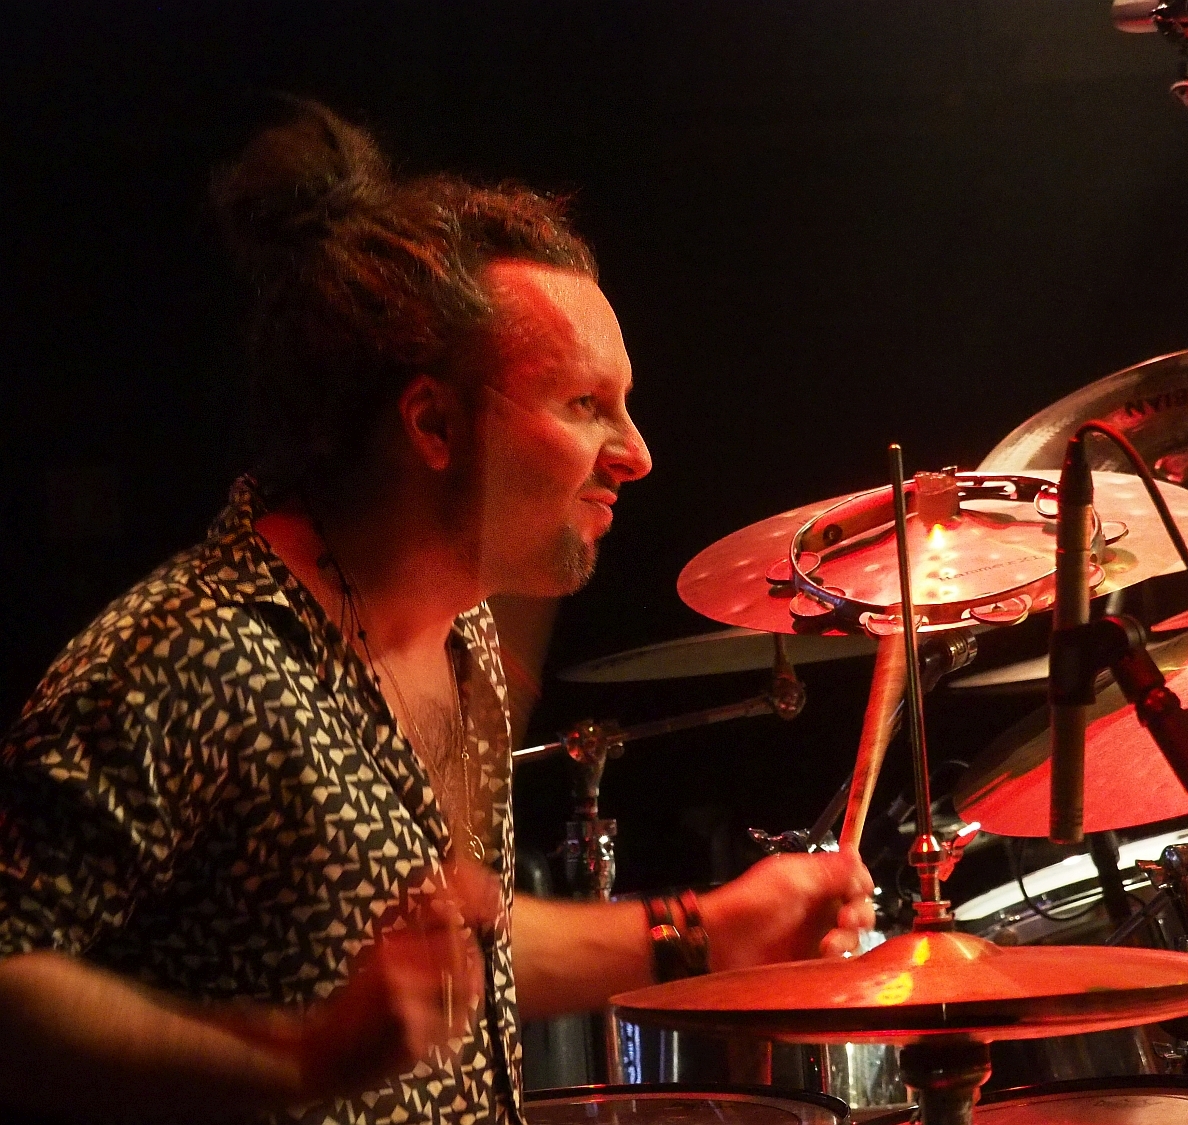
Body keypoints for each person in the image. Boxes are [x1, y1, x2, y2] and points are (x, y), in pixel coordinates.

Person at [0, 100, 874, 1125]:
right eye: (586, 405)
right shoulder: (188, 654)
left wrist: (700, 931)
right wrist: (300, 1061)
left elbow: (457, 953)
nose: (637, 454)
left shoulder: (467, 640)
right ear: (433, 424)